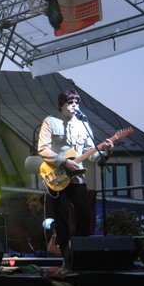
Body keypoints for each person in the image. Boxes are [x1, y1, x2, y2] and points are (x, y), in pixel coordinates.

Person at [38, 89, 113, 254]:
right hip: (57, 175)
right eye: (70, 102)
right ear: (61, 105)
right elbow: (42, 149)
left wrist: (106, 151)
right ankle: (65, 252)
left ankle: (81, 250)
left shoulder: (83, 124)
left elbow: (90, 153)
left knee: (84, 213)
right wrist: (64, 161)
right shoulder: (50, 122)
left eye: (77, 102)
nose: (74, 105)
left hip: (78, 177)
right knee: (61, 215)